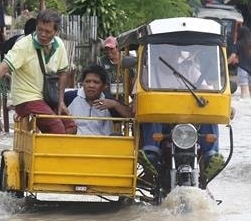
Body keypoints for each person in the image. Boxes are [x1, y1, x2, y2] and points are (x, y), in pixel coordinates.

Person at [0, 9, 77, 134]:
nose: (42, 34)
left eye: (47, 31)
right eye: (39, 30)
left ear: (56, 32)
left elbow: (63, 72)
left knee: (70, 126)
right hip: (26, 98)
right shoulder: (24, 45)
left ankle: (51, 151)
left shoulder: (59, 44)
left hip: (47, 97)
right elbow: (4, 66)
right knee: (56, 126)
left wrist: (60, 101)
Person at [138, 44, 224, 178]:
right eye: (166, 50)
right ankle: (151, 152)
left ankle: (210, 156)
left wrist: (228, 107)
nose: (170, 54)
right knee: (152, 111)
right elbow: (138, 101)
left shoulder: (190, 70)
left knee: (209, 113)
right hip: (163, 124)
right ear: (158, 52)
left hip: (190, 122)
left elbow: (208, 93)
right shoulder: (148, 73)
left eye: (174, 51)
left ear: (178, 54)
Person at [64, 64, 132, 135]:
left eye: (96, 82)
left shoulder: (109, 101)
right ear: (82, 83)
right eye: (87, 81)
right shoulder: (70, 97)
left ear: (104, 86)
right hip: (74, 144)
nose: (91, 85)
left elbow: (130, 115)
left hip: (103, 144)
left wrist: (115, 105)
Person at [230, 26, 251, 99]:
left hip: (243, 69)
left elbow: (233, 56)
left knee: (244, 94)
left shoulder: (237, 44)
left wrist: (225, 64)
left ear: (240, 34)